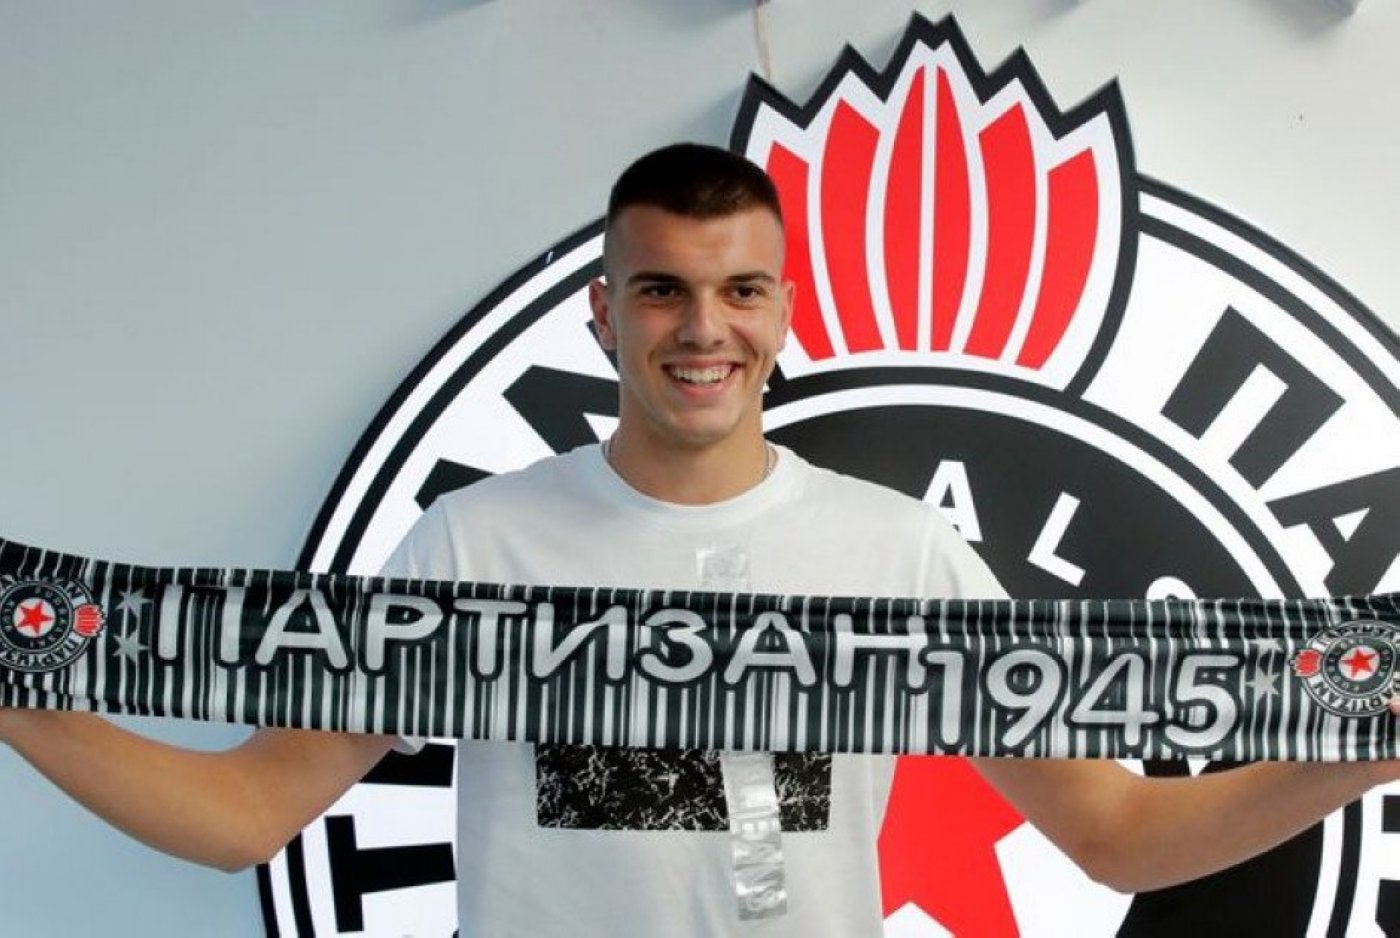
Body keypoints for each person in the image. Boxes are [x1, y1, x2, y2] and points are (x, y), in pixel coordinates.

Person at [0, 143, 1394, 936]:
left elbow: (1118, 835)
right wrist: (16, 688)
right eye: (661, 289)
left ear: (783, 309)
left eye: (739, 290)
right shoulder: (478, 547)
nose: (702, 328)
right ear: (605, 312)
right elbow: (249, 814)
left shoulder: (898, 556)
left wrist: (1373, 743)